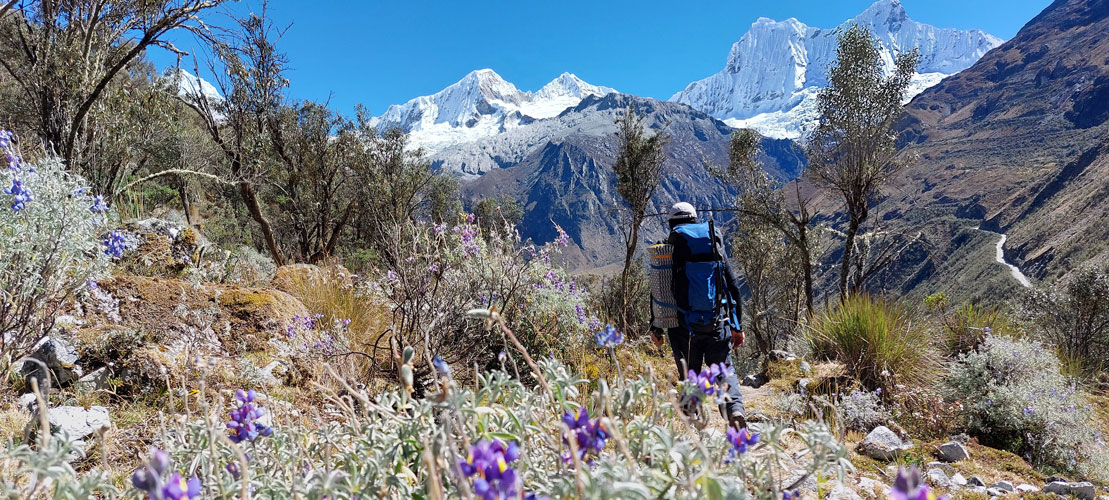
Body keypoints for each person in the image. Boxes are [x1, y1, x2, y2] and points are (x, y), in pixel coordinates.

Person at [651, 201, 747, 429]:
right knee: (723, 371)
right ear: (695, 219)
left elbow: (659, 290)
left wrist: (656, 326)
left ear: (672, 223)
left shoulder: (671, 246)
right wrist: (737, 325)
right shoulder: (713, 242)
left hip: (683, 326)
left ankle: (691, 422)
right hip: (717, 321)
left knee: (689, 373)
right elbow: (732, 287)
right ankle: (734, 410)